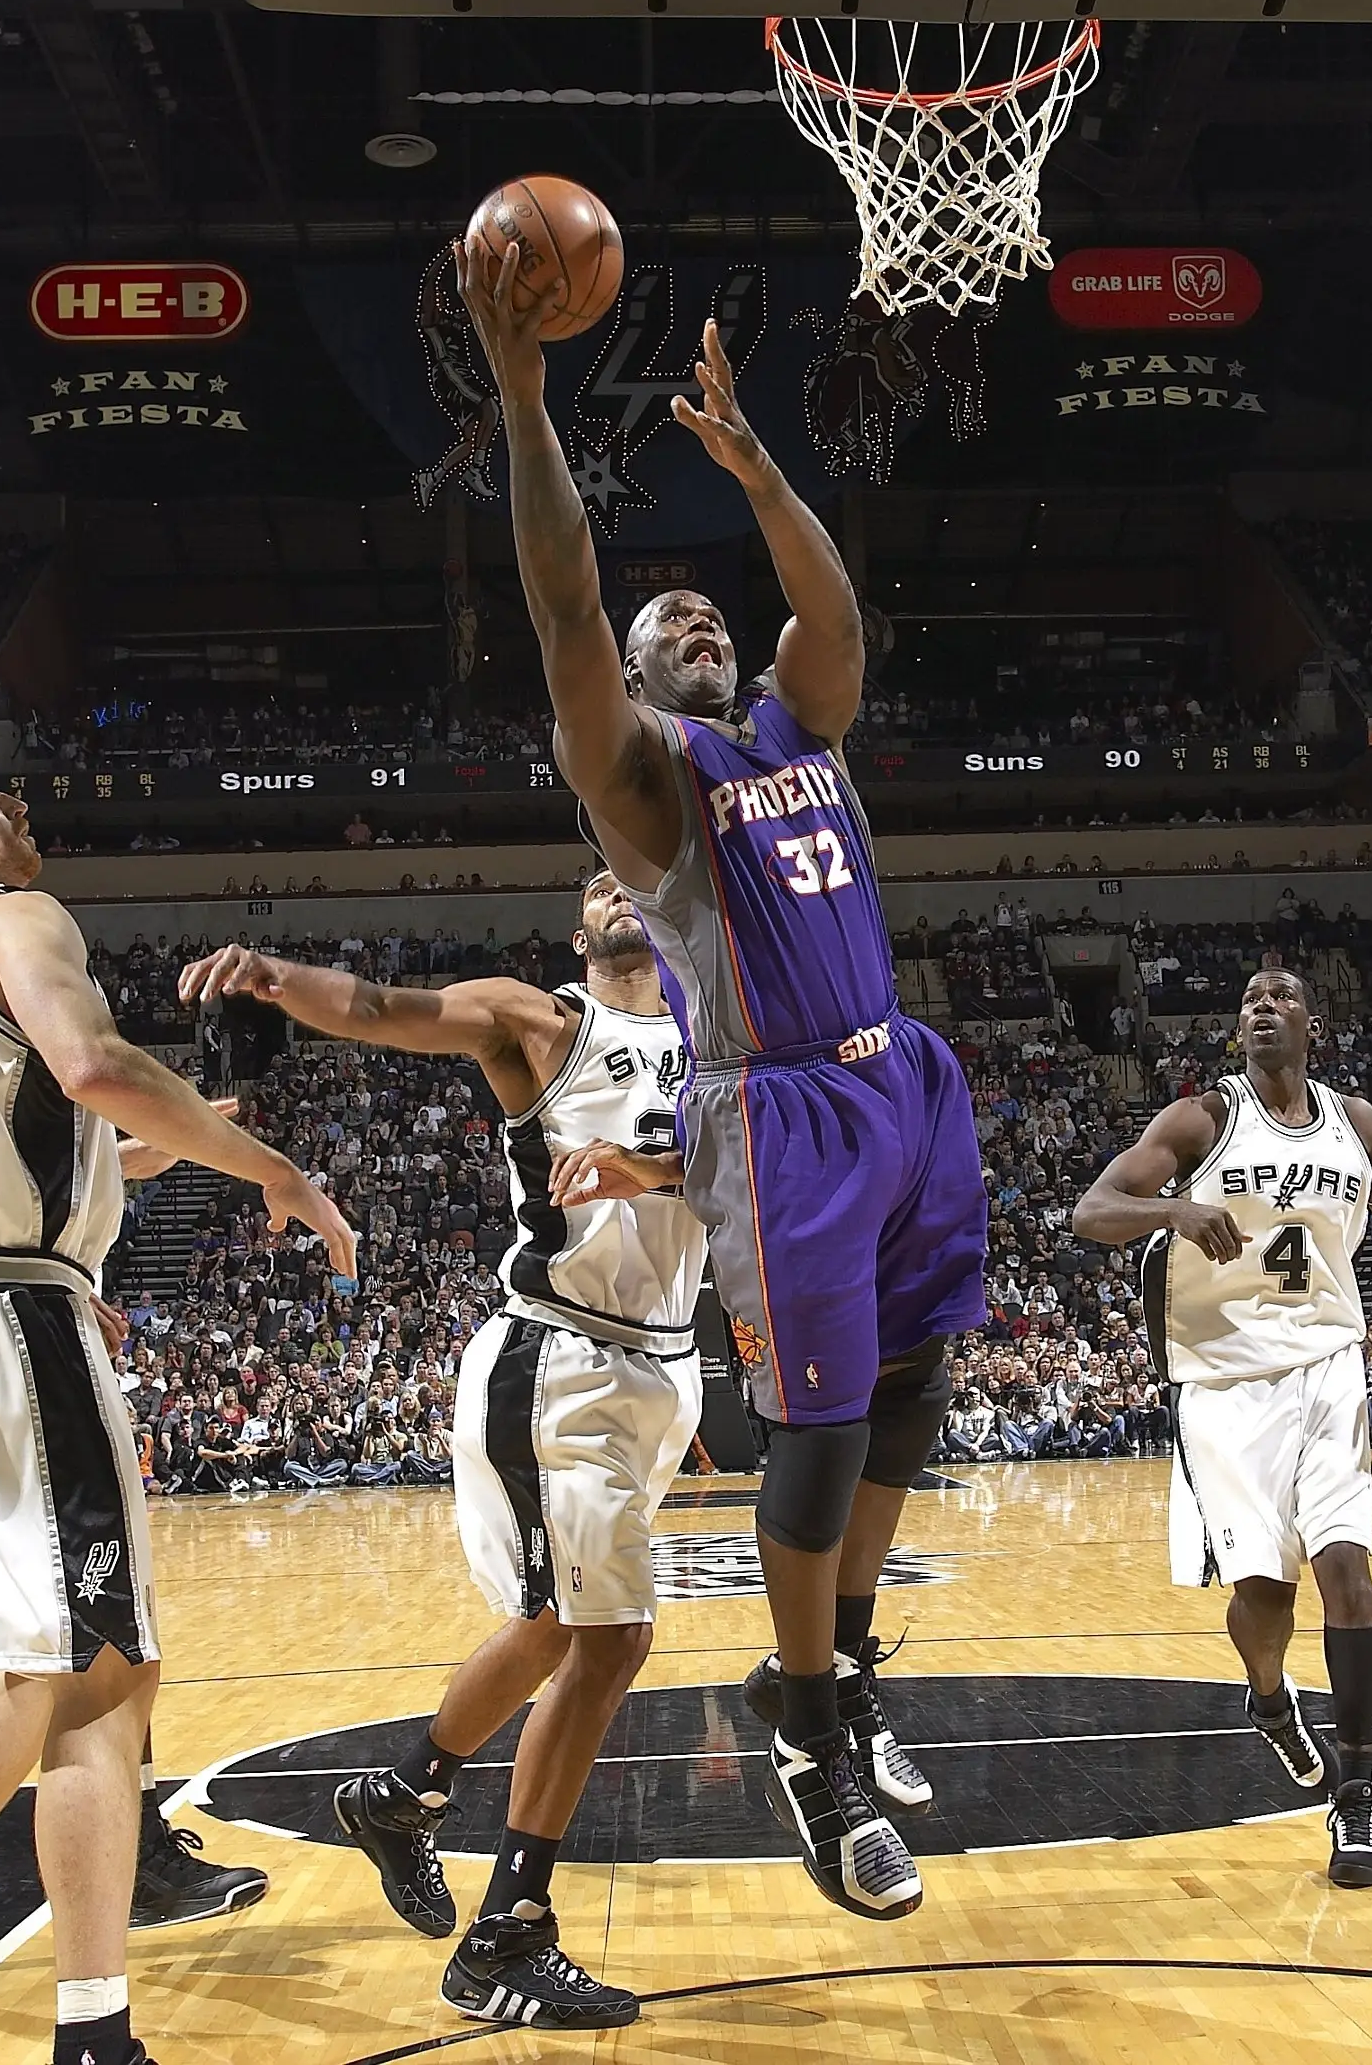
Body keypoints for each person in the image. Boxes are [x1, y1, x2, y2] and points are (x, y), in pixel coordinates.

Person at [455, 231, 982, 1923]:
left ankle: (842, 1666)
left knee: (916, 1388)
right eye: (659, 619)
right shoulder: (646, 779)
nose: (693, 624)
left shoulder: (794, 725)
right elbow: (555, 594)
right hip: (778, 1114)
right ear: (630, 670)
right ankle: (811, 1742)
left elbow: (829, 610)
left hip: (902, 1078)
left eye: (704, 616)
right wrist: (526, 395)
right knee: (813, 1442)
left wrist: (760, 467)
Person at [0, 745, 353, 2065]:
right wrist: (275, 1169)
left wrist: (109, 1184)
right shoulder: (14, 914)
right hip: (6, 1310)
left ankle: (92, 2026)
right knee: (65, 1664)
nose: (19, 802)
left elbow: (45, 1126)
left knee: (108, 1667)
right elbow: (93, 1064)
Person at [175, 871, 707, 2029]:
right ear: (581, 929)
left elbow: (753, 1179)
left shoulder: (726, 1041)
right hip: (558, 1354)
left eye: (637, 877)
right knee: (607, 1640)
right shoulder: (545, 1019)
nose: (617, 887)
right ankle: (505, 1934)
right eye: (597, 882)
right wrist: (274, 977)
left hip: (661, 1366)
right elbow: (380, 1007)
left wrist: (655, 1174)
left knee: (559, 1624)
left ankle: (404, 1791)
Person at [1073, 967, 1372, 1889]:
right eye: (1246, 998)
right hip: (1221, 1381)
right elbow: (1092, 1211)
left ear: (1312, 1025)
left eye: (1279, 996)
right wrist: (1175, 1207)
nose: (1259, 1006)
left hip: (1326, 1362)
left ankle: (1357, 1792)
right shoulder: (1202, 1118)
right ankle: (1269, 1696)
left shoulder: (1355, 1122)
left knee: (1347, 1573)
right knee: (1267, 1595)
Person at [0, 1159, 265, 1945]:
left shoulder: (25, 1108)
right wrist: (22, 1275)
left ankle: (135, 1843)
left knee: (105, 1609)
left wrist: (109, 1167)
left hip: (15, 1326)